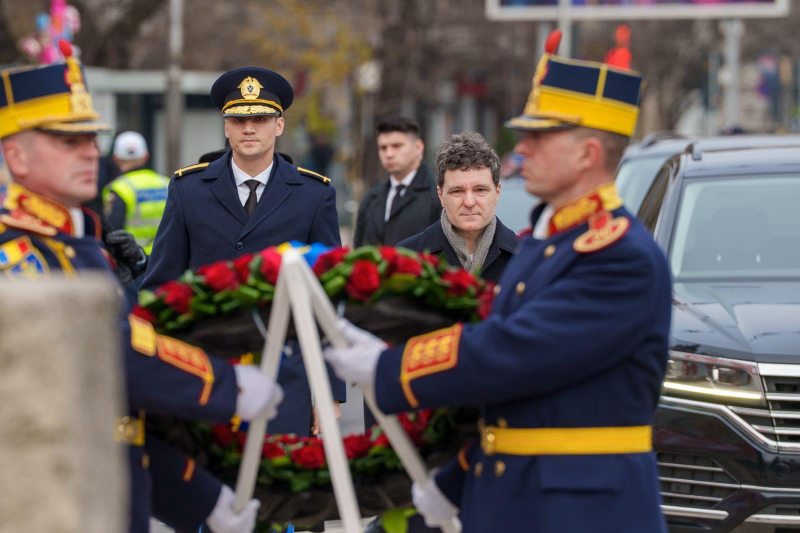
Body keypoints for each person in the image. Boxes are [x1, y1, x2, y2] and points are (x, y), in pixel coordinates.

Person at [323, 32, 672, 533]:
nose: (522, 149)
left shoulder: (619, 256)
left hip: (584, 511)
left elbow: (518, 352)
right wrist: (453, 483)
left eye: (539, 138)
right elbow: (514, 407)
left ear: (588, 153)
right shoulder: (549, 245)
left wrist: (392, 366)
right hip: (520, 498)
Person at [0, 50, 284, 533]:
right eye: (67, 140)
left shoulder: (78, 241)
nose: (90, 152)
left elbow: (117, 418)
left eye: (91, 138)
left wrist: (198, 498)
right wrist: (224, 385)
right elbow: (109, 356)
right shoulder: (17, 255)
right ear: (16, 156)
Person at [142, 66, 344, 436]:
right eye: (238, 120)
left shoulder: (314, 195)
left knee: (280, 471)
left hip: (287, 376)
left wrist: (330, 391)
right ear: (226, 127)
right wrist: (159, 374)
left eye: (260, 119)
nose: (249, 128)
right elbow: (161, 286)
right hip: (206, 368)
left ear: (279, 125)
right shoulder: (189, 190)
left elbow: (329, 298)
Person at [397, 131, 518, 282]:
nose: (469, 202)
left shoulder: (524, 257)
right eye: (457, 191)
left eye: (480, 190)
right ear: (440, 195)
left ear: (497, 192)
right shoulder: (406, 257)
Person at [353, 116, 440, 248]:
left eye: (396, 146)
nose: (389, 154)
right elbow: (359, 250)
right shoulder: (371, 198)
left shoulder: (438, 194)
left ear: (418, 147)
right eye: (383, 148)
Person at [103, 131, 169, 254]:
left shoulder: (119, 189)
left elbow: (112, 233)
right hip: (165, 257)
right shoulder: (167, 184)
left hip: (133, 259)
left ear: (115, 158)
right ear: (146, 156)